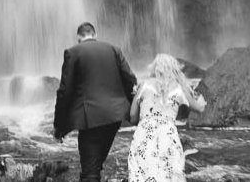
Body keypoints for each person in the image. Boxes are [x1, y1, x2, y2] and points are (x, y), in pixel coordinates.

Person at [54, 22, 138, 182]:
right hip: (115, 117)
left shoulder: (72, 52)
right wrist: (134, 111)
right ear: (95, 35)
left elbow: (65, 91)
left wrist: (59, 126)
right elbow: (130, 80)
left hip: (90, 118)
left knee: (89, 171)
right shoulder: (114, 49)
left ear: (78, 38)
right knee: (95, 164)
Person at [127, 54, 207, 182]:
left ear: (154, 68)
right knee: (170, 173)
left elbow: (132, 116)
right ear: (174, 69)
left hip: (144, 133)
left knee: (141, 173)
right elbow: (199, 108)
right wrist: (202, 101)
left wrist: (141, 120)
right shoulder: (179, 88)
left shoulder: (145, 85)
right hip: (168, 134)